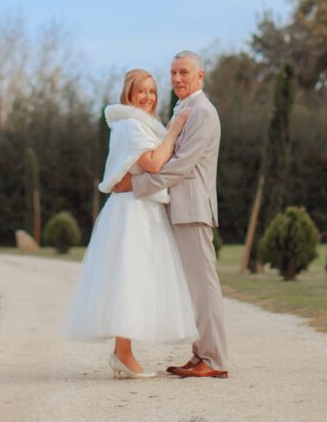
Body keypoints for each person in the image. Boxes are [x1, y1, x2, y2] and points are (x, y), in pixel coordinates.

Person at [64, 68, 198, 379]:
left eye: (152, 91)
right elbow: (152, 162)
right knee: (129, 277)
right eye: (142, 91)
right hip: (131, 212)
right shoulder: (130, 125)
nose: (148, 97)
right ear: (129, 94)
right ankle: (123, 353)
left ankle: (123, 353)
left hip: (144, 208)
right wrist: (175, 131)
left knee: (138, 279)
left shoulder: (143, 124)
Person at [114, 51, 229, 379]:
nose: (177, 78)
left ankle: (214, 360)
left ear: (200, 76)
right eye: (173, 73)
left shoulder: (203, 112)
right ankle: (200, 355)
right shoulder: (184, 109)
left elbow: (180, 166)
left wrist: (136, 184)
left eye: (184, 73)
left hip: (192, 209)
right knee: (193, 288)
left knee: (203, 287)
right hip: (179, 209)